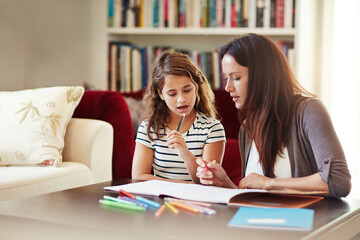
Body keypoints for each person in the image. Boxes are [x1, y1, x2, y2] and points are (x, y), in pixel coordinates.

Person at [196, 33, 351, 198]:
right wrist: (225, 183)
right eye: (226, 78)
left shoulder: (309, 111)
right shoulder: (247, 127)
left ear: (262, 76)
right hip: (258, 221)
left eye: (236, 77)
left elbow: (338, 181)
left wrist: (269, 183)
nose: (227, 87)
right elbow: (256, 195)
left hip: (302, 220)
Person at [132, 51, 226, 184]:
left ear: (196, 88)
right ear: (161, 94)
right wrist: (186, 186)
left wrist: (185, 154)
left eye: (187, 90)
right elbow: (138, 176)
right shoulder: (149, 128)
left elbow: (207, 181)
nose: (181, 100)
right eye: (172, 93)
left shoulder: (213, 128)